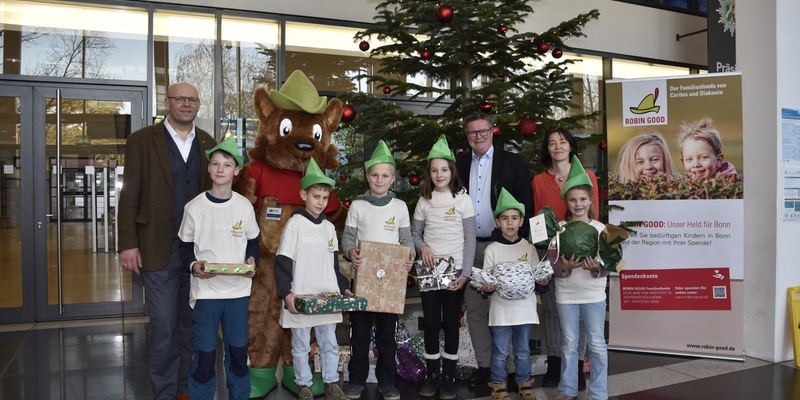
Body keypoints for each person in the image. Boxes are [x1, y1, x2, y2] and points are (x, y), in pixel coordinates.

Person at [117, 82, 217, 400]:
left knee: (190, 322)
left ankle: (184, 388)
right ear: (167, 102)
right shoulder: (142, 141)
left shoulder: (209, 143)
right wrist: (128, 243)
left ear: (198, 105)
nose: (186, 104)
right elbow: (129, 193)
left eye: (192, 99)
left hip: (197, 251)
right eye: (180, 99)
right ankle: (163, 391)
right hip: (156, 247)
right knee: (163, 325)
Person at [177, 136, 260, 400]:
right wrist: (194, 265)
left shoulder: (244, 206)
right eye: (215, 163)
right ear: (209, 169)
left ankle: (240, 396)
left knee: (237, 353)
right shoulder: (195, 207)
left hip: (237, 292)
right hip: (206, 292)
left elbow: (253, 241)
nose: (220, 169)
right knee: (204, 354)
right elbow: (184, 247)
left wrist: (251, 260)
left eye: (227, 164)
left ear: (236, 171)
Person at [456, 113, 533, 390]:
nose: (478, 136)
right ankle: (485, 367)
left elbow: (526, 204)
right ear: (467, 136)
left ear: (492, 132)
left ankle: (511, 371)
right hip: (469, 248)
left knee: (507, 309)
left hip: (503, 247)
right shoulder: (459, 163)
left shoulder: (511, 163)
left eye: (483, 131)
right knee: (475, 311)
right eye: (472, 132)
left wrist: (517, 245)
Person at [341, 140, 415, 400]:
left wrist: (410, 256)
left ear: (393, 179)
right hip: (362, 281)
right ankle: (356, 379)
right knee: (359, 334)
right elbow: (347, 239)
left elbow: (407, 241)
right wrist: (352, 252)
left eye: (385, 176)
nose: (379, 180)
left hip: (390, 285)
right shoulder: (358, 206)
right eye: (374, 175)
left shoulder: (400, 207)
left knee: (387, 336)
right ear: (367, 176)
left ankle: (387, 381)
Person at [274, 158, 351, 400]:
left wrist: (344, 288)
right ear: (303, 195)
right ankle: (304, 384)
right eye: (316, 196)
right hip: (302, 297)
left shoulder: (329, 229)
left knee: (329, 343)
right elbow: (283, 261)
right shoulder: (295, 224)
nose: (320, 202)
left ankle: (331, 382)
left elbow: (333, 264)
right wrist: (286, 293)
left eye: (325, 198)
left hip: (327, 297)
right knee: (301, 345)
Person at [531, 127, 597, 389]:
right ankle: (555, 362)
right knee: (550, 311)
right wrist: (545, 255)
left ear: (571, 146)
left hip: (580, 251)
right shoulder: (538, 180)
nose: (557, 146)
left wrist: (591, 251)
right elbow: (537, 220)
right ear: (547, 149)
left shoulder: (587, 176)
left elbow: (595, 216)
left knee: (577, 311)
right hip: (550, 253)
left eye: (562, 141)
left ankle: (578, 365)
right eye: (551, 142)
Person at [411, 135, 476, 399]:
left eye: (444, 169)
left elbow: (470, 240)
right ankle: (433, 374)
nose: (440, 174)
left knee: (450, 322)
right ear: (429, 173)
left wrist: (466, 273)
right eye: (435, 170)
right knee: (431, 323)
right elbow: (415, 234)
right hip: (429, 272)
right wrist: (423, 247)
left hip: (455, 272)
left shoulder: (463, 199)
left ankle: (448, 375)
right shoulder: (423, 201)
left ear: (452, 171)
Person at [478, 188, 550, 400]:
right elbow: (486, 279)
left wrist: (543, 281)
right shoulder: (491, 250)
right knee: (500, 351)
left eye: (515, 218)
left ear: (521, 222)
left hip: (525, 309)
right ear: (498, 222)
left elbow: (537, 277)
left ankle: (524, 383)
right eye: (505, 218)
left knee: (523, 351)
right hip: (500, 309)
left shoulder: (529, 248)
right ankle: (498, 384)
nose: (510, 223)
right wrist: (486, 287)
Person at [551, 156, 612, 400]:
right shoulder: (559, 228)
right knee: (569, 343)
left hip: (593, 294)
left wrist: (597, 267)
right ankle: (567, 388)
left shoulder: (600, 229)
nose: (578, 204)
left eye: (583, 199)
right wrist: (563, 266)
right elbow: (552, 264)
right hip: (566, 294)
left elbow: (610, 264)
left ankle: (598, 391)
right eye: (573, 199)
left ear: (590, 201)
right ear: (567, 201)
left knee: (597, 343)